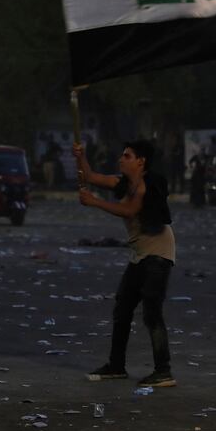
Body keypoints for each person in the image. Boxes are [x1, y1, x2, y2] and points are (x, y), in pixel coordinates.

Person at [72, 139, 177, 388]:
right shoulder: (124, 183)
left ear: (141, 161)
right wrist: (80, 155)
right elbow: (89, 176)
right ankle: (116, 366)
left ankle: (164, 371)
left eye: (127, 156)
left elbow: (129, 211)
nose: (121, 159)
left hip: (158, 252)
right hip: (141, 253)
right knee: (122, 309)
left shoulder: (147, 185)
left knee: (152, 313)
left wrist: (95, 201)